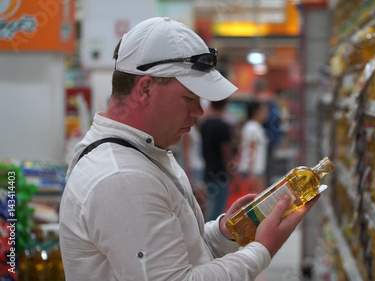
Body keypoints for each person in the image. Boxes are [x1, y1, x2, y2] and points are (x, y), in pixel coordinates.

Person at [59, 17, 319, 280]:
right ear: (146, 88)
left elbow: (175, 250)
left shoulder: (141, 152)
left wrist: (225, 232)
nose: (199, 111)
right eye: (188, 98)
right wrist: (261, 250)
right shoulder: (122, 177)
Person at [200, 99, 234, 221]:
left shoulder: (204, 124)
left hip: (208, 170)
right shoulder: (223, 126)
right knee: (218, 210)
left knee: (210, 207)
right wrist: (232, 172)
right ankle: (209, 237)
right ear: (225, 104)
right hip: (221, 173)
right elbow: (226, 152)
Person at [238, 100, 269, 192]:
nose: (265, 114)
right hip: (253, 171)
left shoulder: (254, 126)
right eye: (263, 111)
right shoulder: (252, 127)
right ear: (256, 111)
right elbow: (251, 149)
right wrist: (251, 174)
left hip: (256, 169)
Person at [180, 117, 206, 215]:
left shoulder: (195, 128)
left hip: (198, 168)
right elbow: (185, 153)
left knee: (201, 202)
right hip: (193, 169)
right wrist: (188, 174)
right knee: (200, 201)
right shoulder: (189, 131)